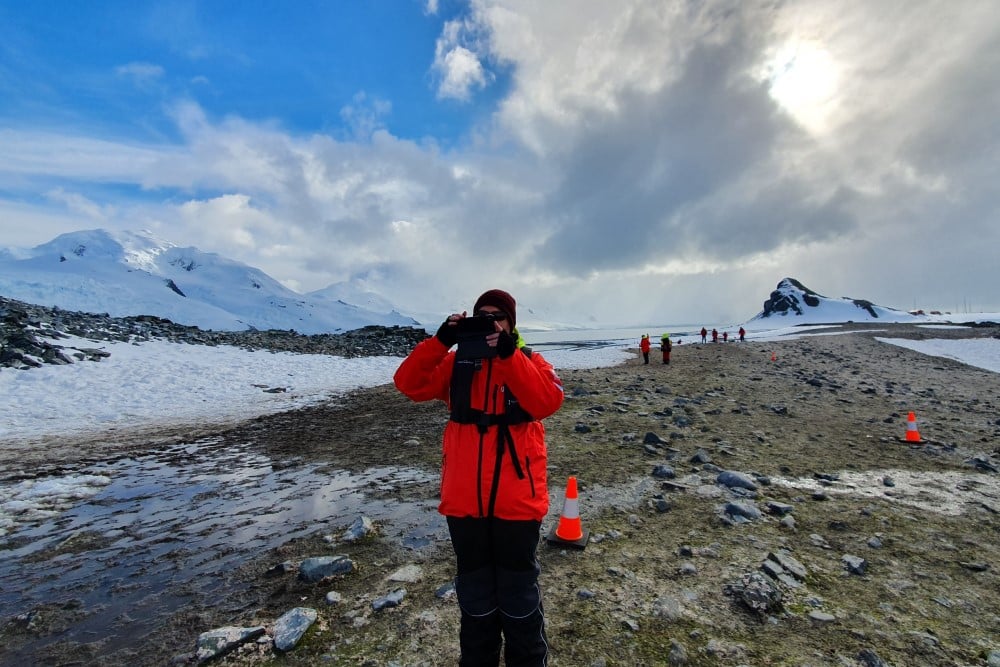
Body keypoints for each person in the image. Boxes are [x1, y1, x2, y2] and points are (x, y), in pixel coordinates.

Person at [393, 289, 564, 666]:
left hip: (517, 504)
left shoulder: (530, 360)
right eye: (482, 315)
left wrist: (508, 357)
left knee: (518, 593)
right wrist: (440, 342)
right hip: (465, 503)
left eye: (498, 316)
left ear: (510, 324)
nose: (490, 321)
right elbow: (408, 383)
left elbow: (547, 401)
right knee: (475, 594)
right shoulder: (456, 365)